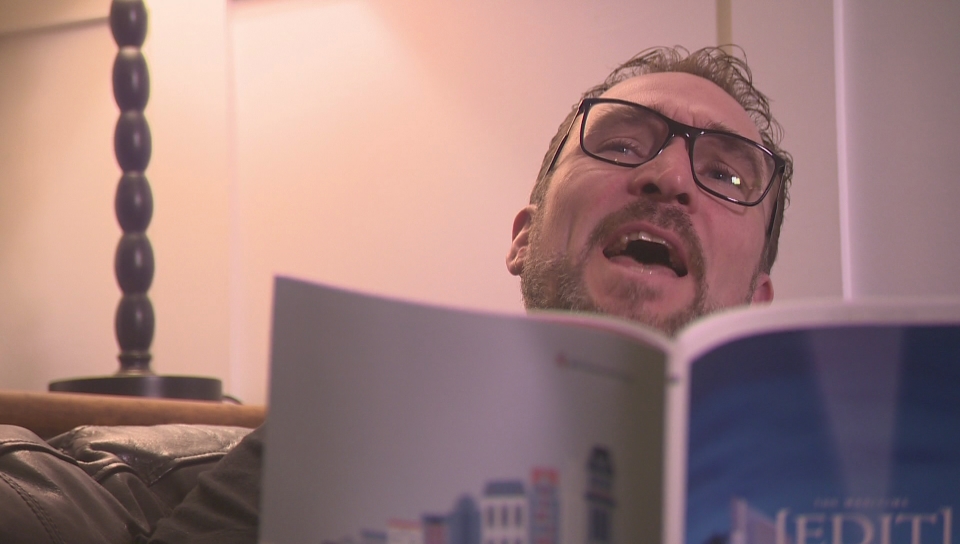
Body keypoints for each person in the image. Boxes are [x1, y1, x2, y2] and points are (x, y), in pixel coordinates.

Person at [144, 45, 794, 544]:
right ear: (524, 239)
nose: (669, 176)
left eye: (726, 175)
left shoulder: (802, 494)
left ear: (755, 306)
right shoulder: (343, 437)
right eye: (622, 144)